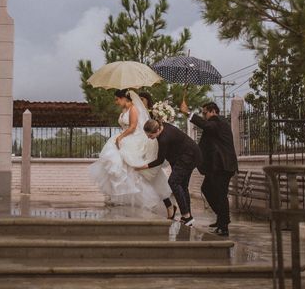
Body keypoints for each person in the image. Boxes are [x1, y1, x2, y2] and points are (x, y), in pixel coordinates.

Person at [89, 89, 175, 217]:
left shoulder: (133, 109)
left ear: (124, 98)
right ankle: (167, 204)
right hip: (127, 138)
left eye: (117, 99)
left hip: (135, 141)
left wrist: (120, 137)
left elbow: (133, 127)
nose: (116, 102)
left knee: (143, 174)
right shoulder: (124, 110)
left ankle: (168, 204)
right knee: (130, 172)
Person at [181, 101, 237, 236]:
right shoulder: (216, 124)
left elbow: (206, 125)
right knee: (206, 188)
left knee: (220, 195)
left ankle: (224, 226)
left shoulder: (218, 121)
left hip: (223, 166)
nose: (204, 115)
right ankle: (222, 218)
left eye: (205, 113)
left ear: (213, 111)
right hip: (216, 166)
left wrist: (188, 113)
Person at [137, 118, 204, 226]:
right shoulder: (163, 127)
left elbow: (160, 160)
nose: (149, 138)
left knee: (173, 182)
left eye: (150, 135)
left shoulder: (164, 138)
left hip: (189, 157)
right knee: (182, 185)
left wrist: (143, 166)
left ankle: (186, 215)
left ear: (158, 130)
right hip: (186, 155)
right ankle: (188, 217)